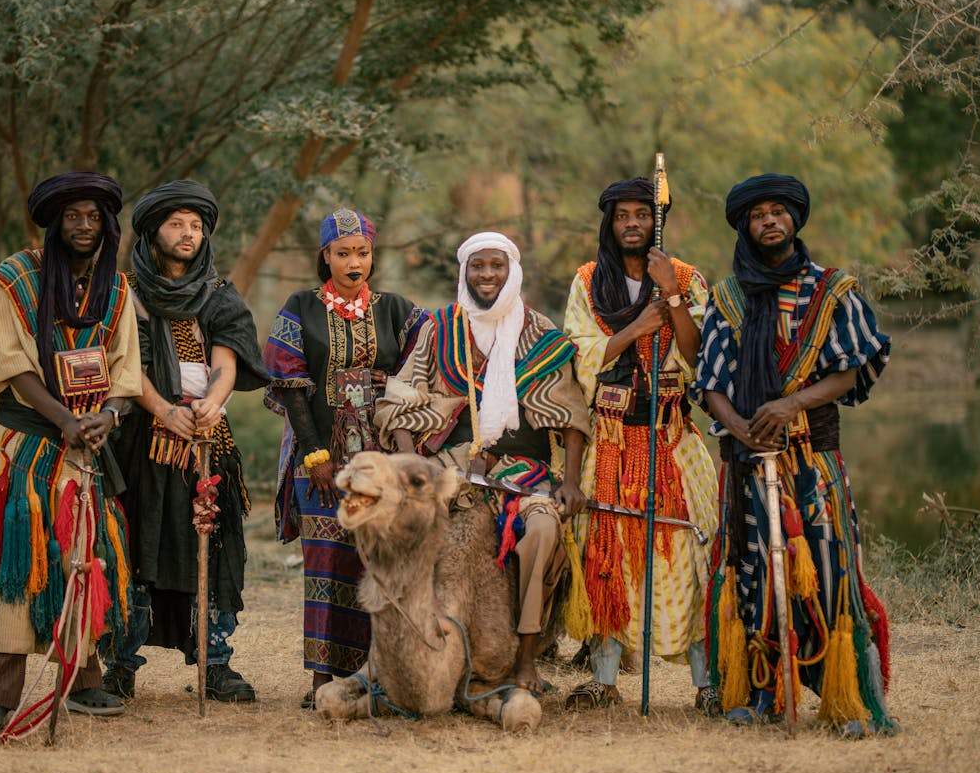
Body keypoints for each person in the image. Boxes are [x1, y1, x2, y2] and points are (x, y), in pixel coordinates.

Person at [694, 173, 895, 735]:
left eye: (778, 211)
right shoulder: (728, 297)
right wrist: (738, 427)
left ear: (795, 219)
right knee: (753, 570)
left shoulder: (832, 290)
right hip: (748, 462)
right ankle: (758, 692)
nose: (769, 221)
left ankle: (845, 698)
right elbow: (709, 381)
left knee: (829, 571)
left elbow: (851, 370)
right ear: (745, 225)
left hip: (815, 459)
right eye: (757, 215)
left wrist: (787, 406)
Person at [0, 171, 142, 734]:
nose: (83, 227)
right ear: (55, 222)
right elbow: (7, 364)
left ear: (106, 225)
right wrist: (63, 420)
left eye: (93, 217)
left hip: (87, 447)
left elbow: (125, 371)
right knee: (21, 556)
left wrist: (106, 416)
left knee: (85, 557)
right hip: (29, 447)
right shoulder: (17, 278)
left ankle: (84, 680)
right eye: (72, 216)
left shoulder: (118, 289)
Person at [375, 231, 590, 693]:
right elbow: (398, 401)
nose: (487, 274)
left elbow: (571, 416)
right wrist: (415, 467)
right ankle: (404, 658)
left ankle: (526, 660)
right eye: (478, 266)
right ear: (464, 272)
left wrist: (569, 483)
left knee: (543, 531)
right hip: (449, 465)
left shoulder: (542, 333)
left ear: (511, 270)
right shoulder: (440, 328)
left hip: (523, 472)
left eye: (496, 265)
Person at [98, 180, 269, 703]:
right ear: (151, 232)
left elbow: (227, 359)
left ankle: (216, 664)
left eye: (196, 226)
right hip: (142, 442)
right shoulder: (124, 293)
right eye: (176, 224)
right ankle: (120, 665)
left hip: (205, 442)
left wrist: (213, 404)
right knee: (136, 546)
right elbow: (127, 362)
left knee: (213, 548)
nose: (188, 234)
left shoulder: (219, 294)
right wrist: (163, 410)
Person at [560, 178, 718, 711]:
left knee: (689, 554)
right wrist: (637, 327)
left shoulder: (689, 279)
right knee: (605, 557)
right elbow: (579, 356)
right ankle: (605, 680)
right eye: (622, 215)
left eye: (642, 215)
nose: (632, 223)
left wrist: (669, 294)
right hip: (609, 438)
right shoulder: (587, 282)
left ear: (656, 221)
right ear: (610, 223)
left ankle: (707, 683)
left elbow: (699, 358)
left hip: (672, 439)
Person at [263, 208, 429, 707]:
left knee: (380, 560)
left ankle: (380, 673)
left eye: (362, 253)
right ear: (325, 256)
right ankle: (323, 680)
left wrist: (396, 392)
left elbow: (428, 360)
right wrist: (316, 456)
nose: (354, 262)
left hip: (382, 460)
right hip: (319, 460)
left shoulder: (398, 309)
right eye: (343, 253)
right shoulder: (300, 308)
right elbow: (291, 386)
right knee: (327, 561)